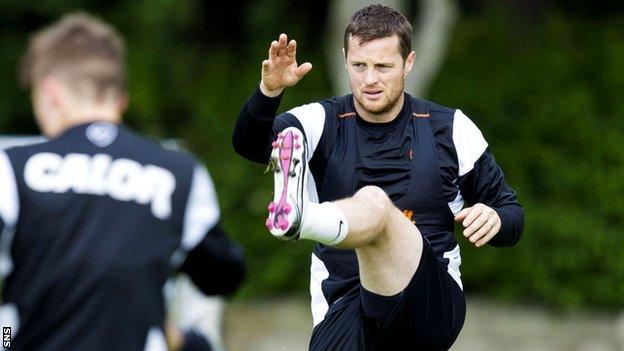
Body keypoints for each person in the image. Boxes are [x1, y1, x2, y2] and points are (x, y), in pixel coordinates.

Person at [233, 4, 523, 350]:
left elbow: (512, 214)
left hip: (429, 305)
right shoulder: (321, 121)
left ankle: (303, 218)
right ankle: (303, 216)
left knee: (376, 205)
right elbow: (250, 145)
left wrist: (496, 217)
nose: (370, 80)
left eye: (383, 67)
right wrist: (269, 94)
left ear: (408, 63)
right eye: (359, 66)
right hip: (344, 304)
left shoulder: (451, 128)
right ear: (345, 60)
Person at [0, 13, 245, 351]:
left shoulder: (11, 169)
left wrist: (5, 339)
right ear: (118, 99)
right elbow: (224, 274)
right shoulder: (179, 172)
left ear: (50, 92)